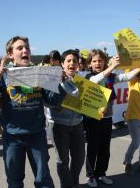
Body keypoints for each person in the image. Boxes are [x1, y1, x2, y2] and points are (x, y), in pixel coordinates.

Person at [0, 36, 69, 188]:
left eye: (27, 47)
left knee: (43, 179)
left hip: (37, 135)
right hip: (12, 137)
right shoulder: (2, 75)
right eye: (20, 48)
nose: (25, 50)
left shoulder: (38, 73)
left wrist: (62, 83)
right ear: (10, 54)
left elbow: (52, 101)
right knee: (14, 180)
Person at [85, 49, 140, 187]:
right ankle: (90, 175)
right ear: (89, 64)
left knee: (105, 148)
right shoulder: (88, 76)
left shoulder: (111, 76)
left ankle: (101, 173)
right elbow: (95, 80)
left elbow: (126, 77)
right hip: (92, 118)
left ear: (104, 61)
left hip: (107, 117)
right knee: (92, 148)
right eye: (94, 61)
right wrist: (113, 66)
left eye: (100, 60)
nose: (98, 63)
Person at [47, 49, 85, 188]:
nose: (72, 63)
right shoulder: (52, 79)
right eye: (68, 61)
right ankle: (66, 185)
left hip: (77, 125)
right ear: (62, 64)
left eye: (75, 61)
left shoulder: (82, 81)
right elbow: (49, 102)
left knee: (80, 158)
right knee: (62, 161)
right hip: (58, 125)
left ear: (78, 65)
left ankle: (74, 182)